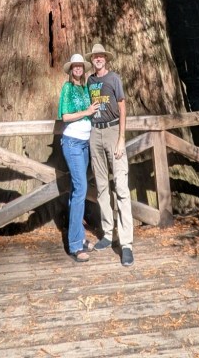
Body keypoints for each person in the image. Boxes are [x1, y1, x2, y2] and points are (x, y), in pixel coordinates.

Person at [86, 42, 134, 267]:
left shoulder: (114, 78)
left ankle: (126, 243)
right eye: (95, 56)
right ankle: (107, 233)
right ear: (92, 59)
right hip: (95, 133)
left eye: (101, 56)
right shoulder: (90, 81)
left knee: (121, 187)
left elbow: (122, 107)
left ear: (105, 58)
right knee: (102, 186)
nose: (98, 59)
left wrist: (122, 138)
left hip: (114, 131)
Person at [58, 53, 100, 262]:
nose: (77, 69)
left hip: (84, 145)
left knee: (77, 190)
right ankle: (75, 245)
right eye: (74, 66)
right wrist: (86, 111)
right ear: (71, 69)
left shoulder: (84, 88)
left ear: (83, 68)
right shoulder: (67, 88)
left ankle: (79, 237)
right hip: (72, 143)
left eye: (80, 66)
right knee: (81, 189)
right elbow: (65, 116)